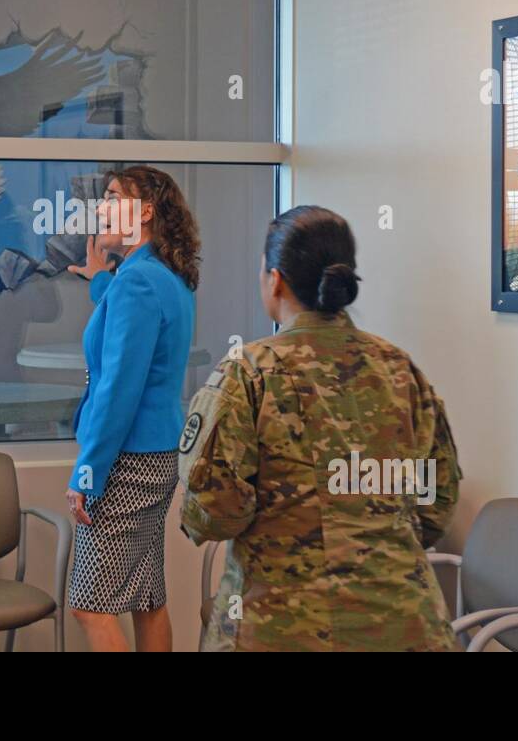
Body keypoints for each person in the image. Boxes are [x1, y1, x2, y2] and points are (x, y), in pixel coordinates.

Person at [179, 206, 462, 651]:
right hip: (403, 624)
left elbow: (213, 510)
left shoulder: (249, 373)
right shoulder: (400, 369)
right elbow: (437, 502)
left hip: (281, 626)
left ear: (275, 280)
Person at [64, 165, 198, 652]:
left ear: (145, 212)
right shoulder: (162, 277)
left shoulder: (136, 282)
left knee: (90, 605)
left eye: (113, 196)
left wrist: (88, 471)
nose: (101, 207)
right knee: (145, 594)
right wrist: (102, 283)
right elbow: (135, 333)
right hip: (158, 454)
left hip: (127, 461)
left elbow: (119, 387)